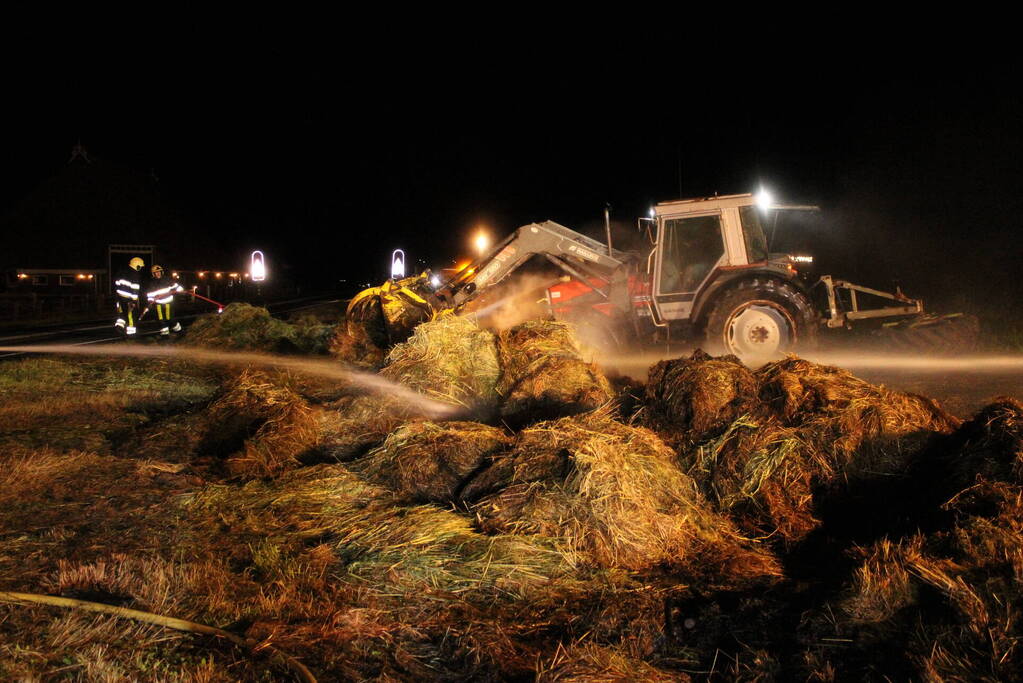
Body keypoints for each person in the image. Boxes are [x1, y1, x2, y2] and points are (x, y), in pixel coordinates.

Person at [145, 264, 185, 336]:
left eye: (159, 272)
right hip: (158, 304)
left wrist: (180, 290)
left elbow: (176, 286)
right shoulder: (152, 283)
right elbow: (149, 294)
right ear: (153, 274)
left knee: (170, 319)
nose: (158, 273)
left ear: (161, 272)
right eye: (156, 272)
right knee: (161, 320)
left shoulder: (167, 280)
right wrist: (150, 301)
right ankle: (165, 335)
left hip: (168, 303)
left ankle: (180, 332)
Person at [114, 257, 145, 336]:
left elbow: (117, 284)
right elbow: (135, 289)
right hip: (129, 300)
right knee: (131, 316)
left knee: (122, 314)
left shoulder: (122, 272)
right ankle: (131, 334)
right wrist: (134, 301)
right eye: (140, 266)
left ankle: (119, 326)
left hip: (120, 298)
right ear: (137, 266)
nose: (140, 268)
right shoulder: (134, 275)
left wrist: (118, 295)